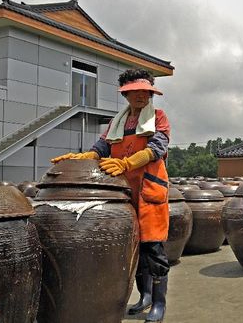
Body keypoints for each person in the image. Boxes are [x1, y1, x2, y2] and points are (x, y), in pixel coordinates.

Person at [51, 69, 171, 323]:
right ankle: (145, 296)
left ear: (151, 93)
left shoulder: (158, 118)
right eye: (134, 92)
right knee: (133, 246)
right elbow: (101, 148)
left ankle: (159, 303)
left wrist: (127, 163)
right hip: (122, 191)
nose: (140, 96)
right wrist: (83, 157)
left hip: (149, 190)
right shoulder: (117, 123)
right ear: (126, 94)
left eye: (145, 92)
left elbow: (156, 148)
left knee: (153, 248)